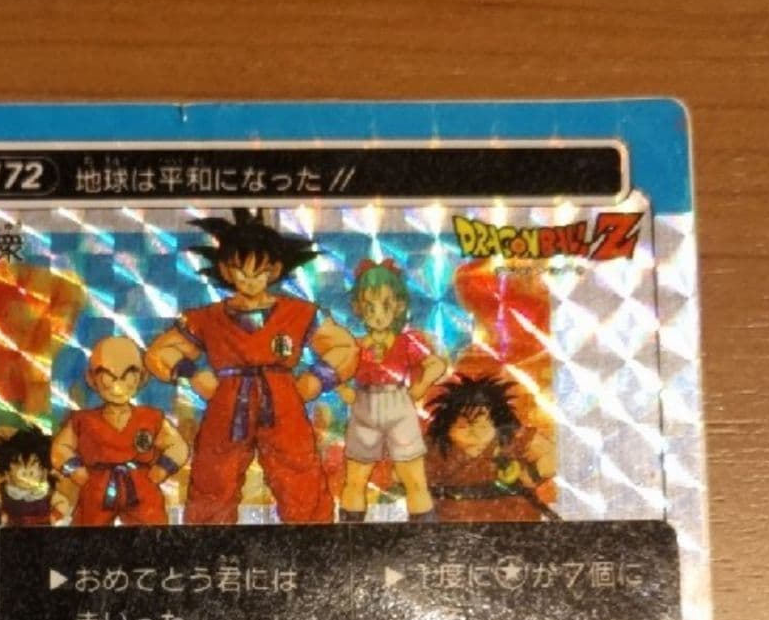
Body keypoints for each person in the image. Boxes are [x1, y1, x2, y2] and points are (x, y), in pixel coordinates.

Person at [145, 209, 357, 524]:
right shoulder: (207, 318)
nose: (249, 280)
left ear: (274, 270)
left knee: (300, 476)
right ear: (225, 270)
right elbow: (159, 353)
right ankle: (208, 546)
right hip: (228, 400)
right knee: (214, 477)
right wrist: (192, 372)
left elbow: (345, 347)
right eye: (240, 271)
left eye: (258, 272)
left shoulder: (298, 313)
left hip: (282, 398)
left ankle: (312, 540)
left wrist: (316, 379)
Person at [338, 259, 446, 522]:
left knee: (414, 479)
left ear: (398, 305)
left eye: (386, 305)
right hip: (364, 405)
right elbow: (333, 371)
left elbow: (436, 364)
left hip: (398, 403)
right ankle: (348, 539)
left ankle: (426, 540)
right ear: (358, 308)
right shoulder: (355, 345)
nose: (378, 314)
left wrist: (418, 388)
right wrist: (345, 392)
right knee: (355, 480)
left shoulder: (407, 342)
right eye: (370, 306)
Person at [51, 336, 188, 526]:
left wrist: (163, 469)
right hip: (97, 489)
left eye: (127, 376)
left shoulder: (151, 418)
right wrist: (76, 471)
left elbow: (178, 446)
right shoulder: (83, 421)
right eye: (108, 376)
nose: (117, 386)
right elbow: (60, 449)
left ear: (140, 377)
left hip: (142, 489)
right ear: (92, 378)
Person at [424, 374, 557, 522]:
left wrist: (531, 475)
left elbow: (556, 456)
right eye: (462, 425)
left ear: (497, 423)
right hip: (453, 524)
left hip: (515, 521)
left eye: (482, 425)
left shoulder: (515, 438)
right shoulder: (433, 448)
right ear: (447, 426)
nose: (473, 430)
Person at [0, 426, 66, 526]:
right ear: (7, 474)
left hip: (42, 530)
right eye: (19, 466)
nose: (28, 472)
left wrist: (55, 515)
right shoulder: (5, 493)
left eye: (33, 465)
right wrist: (0, 515)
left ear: (44, 471)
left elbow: (62, 503)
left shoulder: (47, 493)